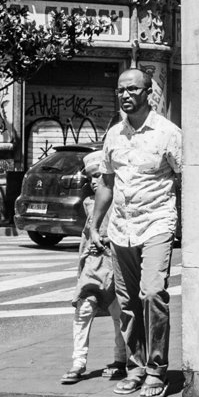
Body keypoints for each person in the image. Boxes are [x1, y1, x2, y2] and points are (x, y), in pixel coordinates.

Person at [90, 66, 182, 397]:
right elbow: (107, 183)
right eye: (120, 90)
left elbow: (184, 178)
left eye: (132, 89)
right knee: (127, 303)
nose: (125, 95)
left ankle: (157, 369)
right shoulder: (114, 134)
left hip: (157, 222)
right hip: (121, 228)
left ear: (149, 93)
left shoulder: (169, 134)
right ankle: (136, 367)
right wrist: (95, 225)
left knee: (153, 294)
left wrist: (186, 227)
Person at [61, 151, 126, 384]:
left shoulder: (119, 201)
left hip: (114, 263)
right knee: (83, 308)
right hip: (93, 265)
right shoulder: (90, 204)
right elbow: (85, 239)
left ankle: (121, 359)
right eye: (90, 178)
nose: (94, 181)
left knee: (119, 312)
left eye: (98, 175)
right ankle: (78, 362)